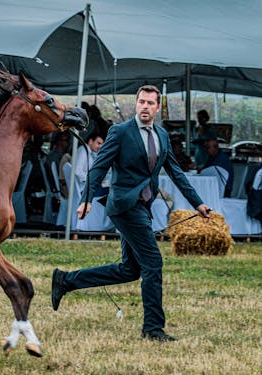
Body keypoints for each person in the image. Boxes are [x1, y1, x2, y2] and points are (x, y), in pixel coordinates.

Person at [51, 85, 210, 342]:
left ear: (157, 107)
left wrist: (198, 203)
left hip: (143, 206)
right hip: (125, 206)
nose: (145, 107)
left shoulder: (161, 135)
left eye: (150, 103)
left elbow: (175, 172)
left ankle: (66, 280)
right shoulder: (120, 132)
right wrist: (87, 198)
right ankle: (153, 329)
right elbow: (99, 167)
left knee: (129, 270)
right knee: (153, 263)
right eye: (141, 102)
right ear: (136, 104)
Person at [74, 130, 109, 198]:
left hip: (84, 188)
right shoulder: (83, 151)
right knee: (111, 191)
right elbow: (77, 171)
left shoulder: (88, 152)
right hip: (82, 190)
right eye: (98, 143)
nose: (100, 147)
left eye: (102, 144)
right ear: (90, 142)